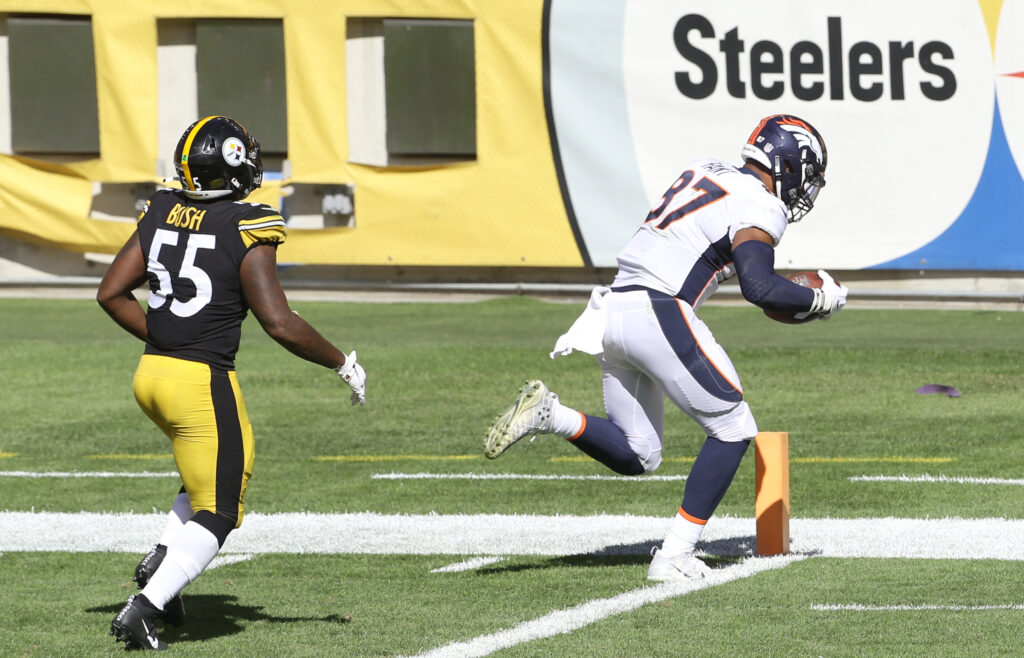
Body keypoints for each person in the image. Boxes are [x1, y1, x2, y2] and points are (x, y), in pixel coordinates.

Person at [484, 114, 846, 581]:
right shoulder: (762, 203)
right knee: (735, 428)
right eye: (808, 176)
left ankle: (551, 415)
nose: (805, 191)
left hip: (611, 309)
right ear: (789, 163)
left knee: (640, 453)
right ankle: (674, 554)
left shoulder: (704, 169)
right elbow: (758, 287)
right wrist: (819, 298)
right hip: (659, 307)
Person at [98, 115, 367, 650]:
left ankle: (163, 564)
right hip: (201, 381)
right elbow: (279, 322)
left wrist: (164, 334)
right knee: (221, 507)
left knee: (211, 473)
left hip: (151, 375)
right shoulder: (247, 224)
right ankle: (145, 607)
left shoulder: (160, 210)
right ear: (236, 163)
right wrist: (341, 362)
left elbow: (110, 292)